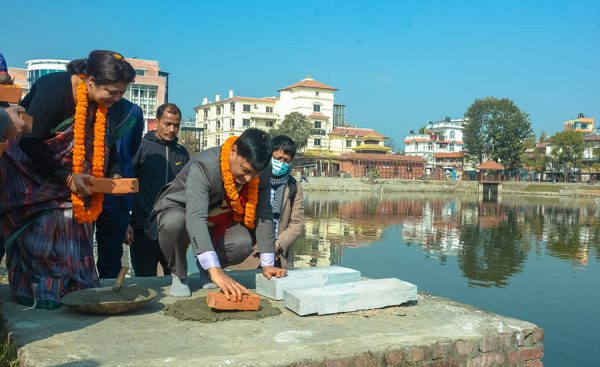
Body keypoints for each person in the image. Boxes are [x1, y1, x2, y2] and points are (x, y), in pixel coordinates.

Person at [0, 50, 136, 309]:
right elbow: (29, 142)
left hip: (73, 183)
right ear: (91, 81)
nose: (117, 99)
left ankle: (77, 288)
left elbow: (107, 146)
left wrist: (114, 174)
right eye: (112, 92)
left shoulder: (105, 106)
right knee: (43, 231)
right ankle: (40, 292)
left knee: (76, 225)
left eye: (121, 93)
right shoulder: (55, 89)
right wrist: (67, 177)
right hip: (31, 173)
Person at [147, 128, 286, 299]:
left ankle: (205, 267)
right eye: (245, 170)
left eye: (255, 174)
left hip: (218, 217)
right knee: (174, 222)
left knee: (242, 242)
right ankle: (180, 274)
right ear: (233, 152)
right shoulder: (205, 166)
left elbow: (264, 214)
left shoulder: (262, 169)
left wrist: (267, 264)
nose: (249, 179)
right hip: (181, 209)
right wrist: (216, 270)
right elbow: (196, 216)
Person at [126, 103, 189, 277]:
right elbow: (127, 187)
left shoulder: (182, 153)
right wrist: (127, 221)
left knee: (176, 280)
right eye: (167, 124)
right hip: (142, 228)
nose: (172, 129)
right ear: (157, 122)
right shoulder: (141, 147)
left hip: (171, 229)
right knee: (145, 280)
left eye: (176, 125)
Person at [231, 135, 304, 269]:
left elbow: (297, 223)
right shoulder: (252, 178)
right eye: (277, 158)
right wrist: (264, 247)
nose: (281, 163)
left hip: (279, 257)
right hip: (249, 256)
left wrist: (278, 244)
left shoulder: (294, 187)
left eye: (286, 161)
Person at [94, 100, 144, 279]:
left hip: (116, 195)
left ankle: (109, 300)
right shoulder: (88, 102)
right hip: (86, 190)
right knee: (78, 251)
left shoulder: (133, 112)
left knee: (111, 257)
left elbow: (132, 151)